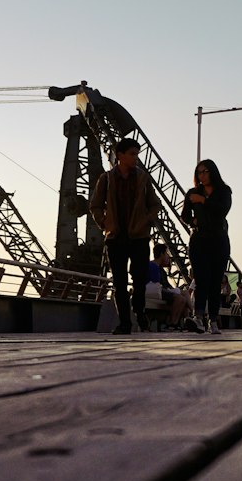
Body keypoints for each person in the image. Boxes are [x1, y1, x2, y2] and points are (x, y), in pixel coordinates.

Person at [89, 137, 160, 335]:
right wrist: (104, 222)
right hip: (115, 238)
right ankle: (125, 323)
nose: (136, 158)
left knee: (139, 280)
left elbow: (155, 204)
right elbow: (95, 205)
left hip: (139, 238)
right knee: (119, 282)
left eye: (137, 154)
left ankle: (139, 312)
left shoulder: (143, 179)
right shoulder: (106, 179)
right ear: (120, 155)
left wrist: (146, 220)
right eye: (132, 154)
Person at [180, 158, 232, 336]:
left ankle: (214, 319)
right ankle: (199, 317)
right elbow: (184, 215)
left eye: (205, 171)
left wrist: (202, 201)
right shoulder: (191, 193)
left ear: (213, 172)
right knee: (201, 280)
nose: (202, 175)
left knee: (215, 281)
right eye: (199, 172)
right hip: (199, 240)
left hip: (218, 240)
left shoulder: (224, 191)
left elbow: (222, 210)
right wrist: (193, 221)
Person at [145, 242, 191, 329]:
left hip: (159, 291)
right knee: (181, 298)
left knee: (183, 297)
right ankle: (174, 322)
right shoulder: (154, 267)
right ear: (162, 254)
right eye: (166, 254)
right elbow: (157, 285)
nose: (168, 256)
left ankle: (177, 322)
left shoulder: (156, 267)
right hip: (157, 291)